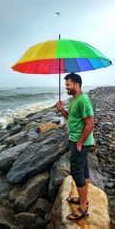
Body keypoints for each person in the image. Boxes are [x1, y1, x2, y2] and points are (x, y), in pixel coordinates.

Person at [56, 72, 94, 221]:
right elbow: (71, 118)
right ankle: (83, 199)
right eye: (66, 85)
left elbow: (90, 123)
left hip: (80, 142)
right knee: (83, 169)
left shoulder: (83, 100)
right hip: (75, 140)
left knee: (76, 171)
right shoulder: (74, 99)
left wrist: (79, 143)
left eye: (68, 85)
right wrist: (61, 111)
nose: (66, 87)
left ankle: (83, 207)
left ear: (77, 84)